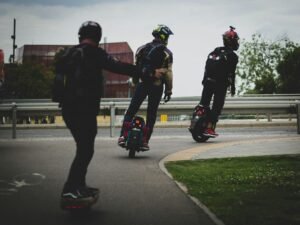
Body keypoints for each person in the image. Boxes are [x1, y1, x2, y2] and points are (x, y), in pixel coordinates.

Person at [56, 21, 146, 204]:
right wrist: (144, 72)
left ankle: (78, 186)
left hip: (67, 109)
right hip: (85, 109)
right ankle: (71, 190)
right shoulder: (94, 53)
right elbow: (118, 67)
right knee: (85, 149)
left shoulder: (68, 53)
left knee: (84, 148)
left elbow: (59, 81)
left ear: (80, 35)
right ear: (97, 37)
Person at [118, 24, 174, 151]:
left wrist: (135, 82)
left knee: (131, 111)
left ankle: (122, 136)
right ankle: (144, 141)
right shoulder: (167, 53)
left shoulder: (141, 49)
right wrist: (169, 90)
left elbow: (136, 68)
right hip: (157, 86)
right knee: (151, 115)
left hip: (142, 84)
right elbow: (169, 74)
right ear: (164, 37)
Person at [199, 26, 239, 137]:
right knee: (217, 106)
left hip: (207, 81)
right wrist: (232, 87)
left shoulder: (216, 51)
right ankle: (210, 128)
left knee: (204, 104)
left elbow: (207, 67)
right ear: (232, 41)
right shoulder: (233, 56)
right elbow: (231, 73)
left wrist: (204, 80)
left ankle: (196, 121)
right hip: (220, 84)